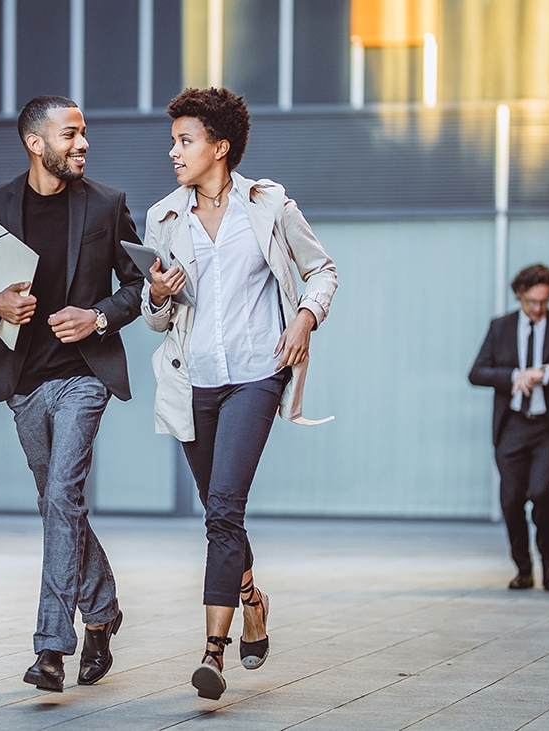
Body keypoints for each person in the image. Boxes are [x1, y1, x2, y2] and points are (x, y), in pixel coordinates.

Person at [0, 95, 144, 692]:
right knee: (59, 506)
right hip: (23, 384)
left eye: (85, 135)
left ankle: (53, 647)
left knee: (61, 496)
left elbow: (137, 287)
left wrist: (99, 319)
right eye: (71, 135)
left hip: (84, 377)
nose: (82, 145)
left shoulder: (108, 205)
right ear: (37, 143)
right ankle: (103, 613)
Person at [140, 87, 337, 701]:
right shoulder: (164, 218)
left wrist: (304, 319)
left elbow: (322, 270)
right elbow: (155, 319)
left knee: (224, 506)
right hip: (193, 380)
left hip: (257, 372)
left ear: (219, 148)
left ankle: (211, 654)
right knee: (217, 511)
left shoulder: (269, 204)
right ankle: (252, 600)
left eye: (185, 140)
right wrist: (159, 294)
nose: (173, 151)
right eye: (174, 141)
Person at [468, 264, 549, 592]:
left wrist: (544, 374)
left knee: (540, 491)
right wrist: (513, 376)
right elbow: (477, 372)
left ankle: (548, 562)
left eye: (544, 303)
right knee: (511, 500)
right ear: (519, 295)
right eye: (532, 302)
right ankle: (523, 568)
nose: (538, 309)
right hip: (511, 427)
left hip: (548, 428)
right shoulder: (500, 328)